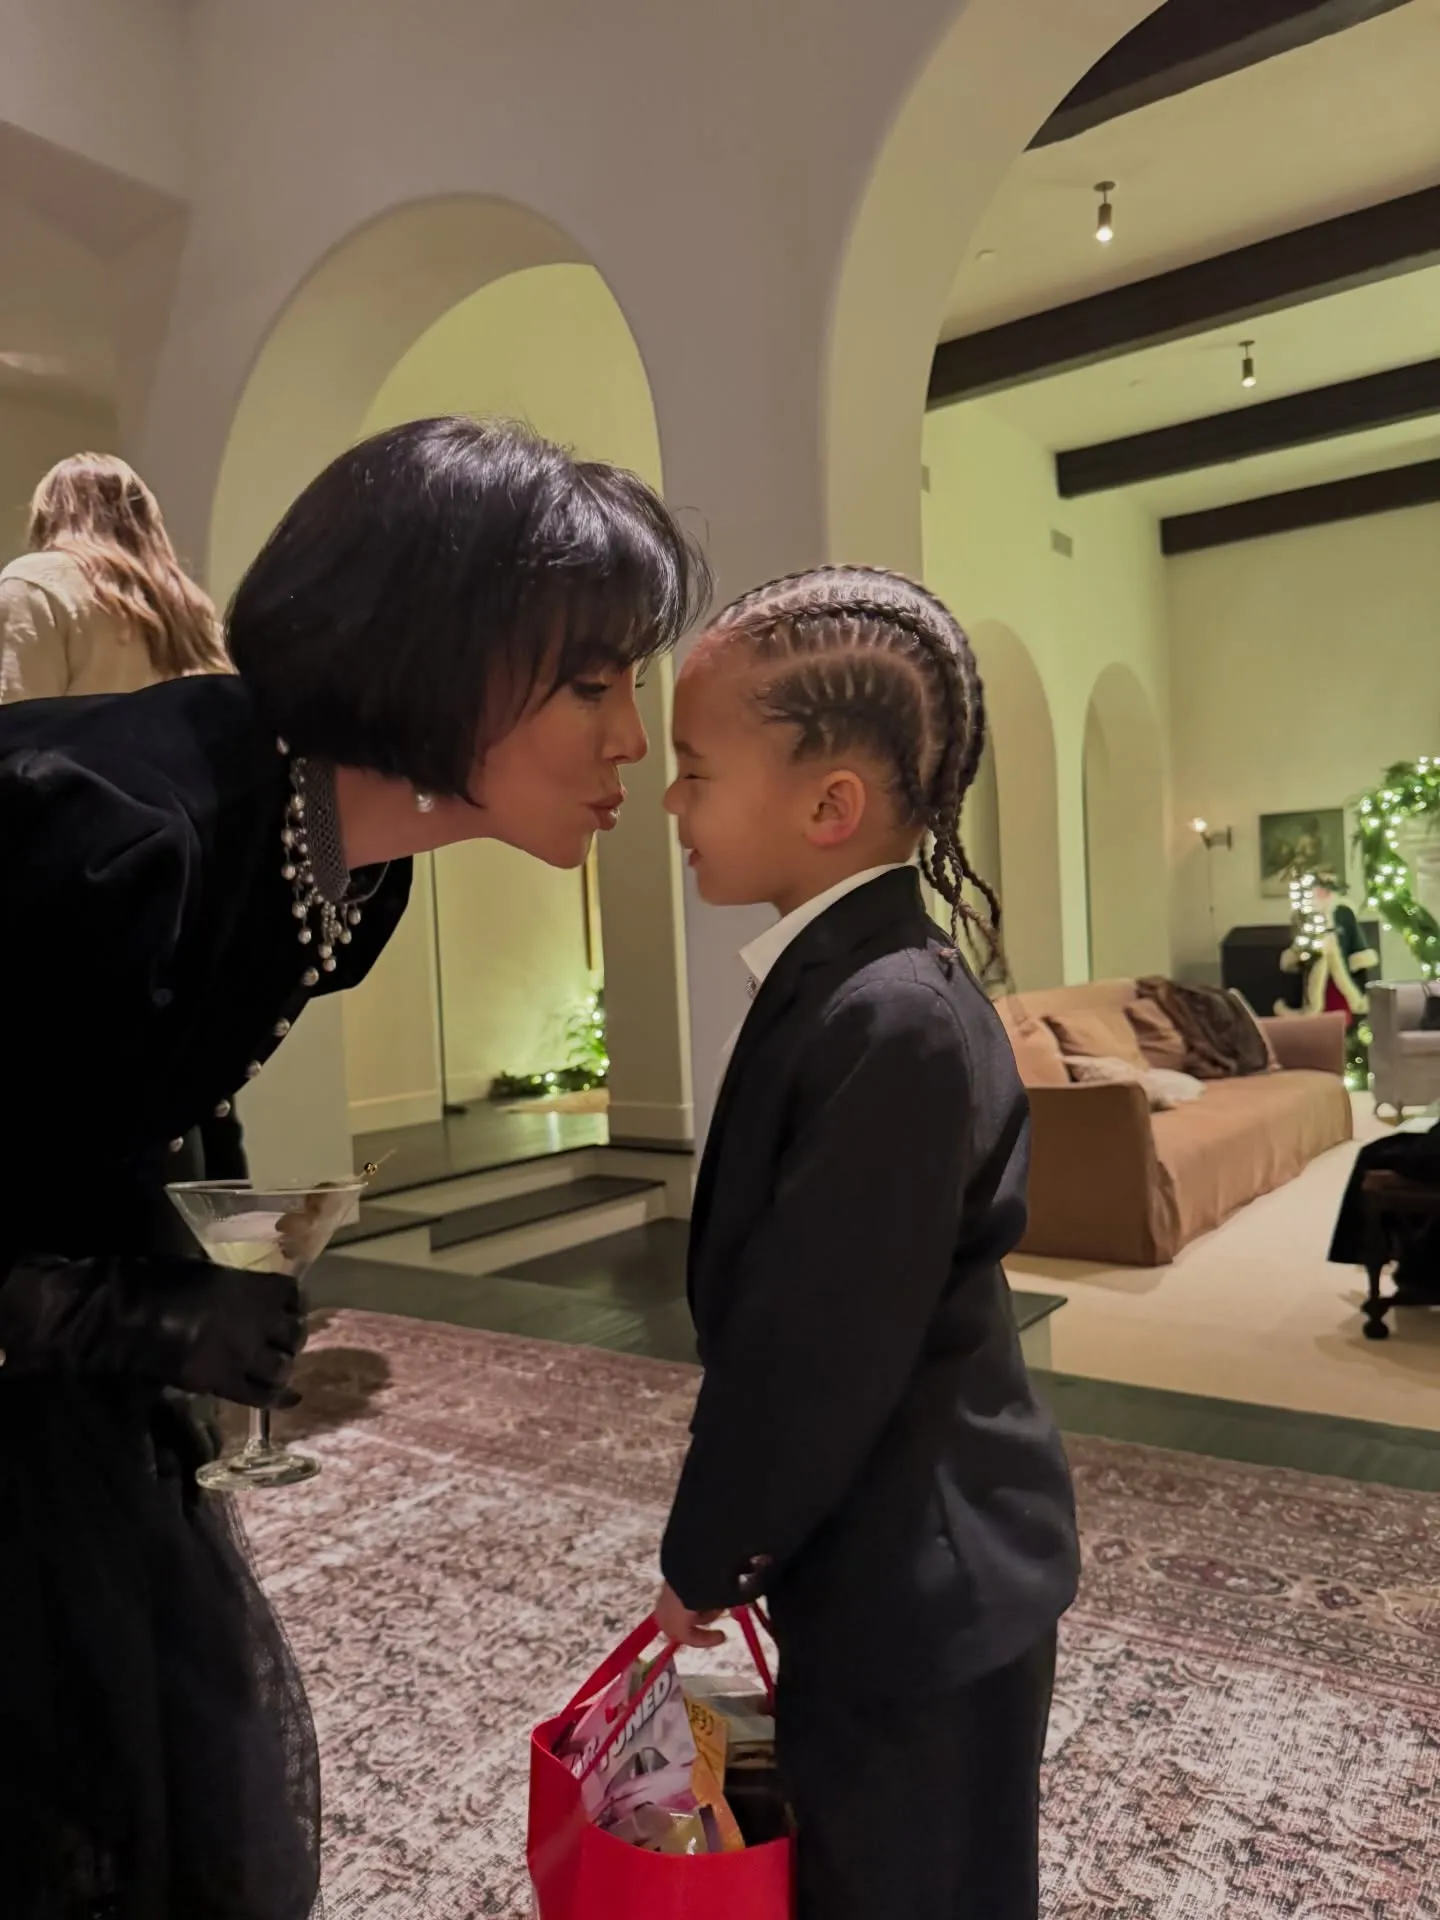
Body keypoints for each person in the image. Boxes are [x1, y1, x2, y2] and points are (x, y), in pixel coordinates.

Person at [0, 415, 710, 1920]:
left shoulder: (349, 871)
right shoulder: (114, 840)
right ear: (435, 658)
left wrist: (160, 1278)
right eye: (594, 684)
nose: (634, 744)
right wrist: (122, 1311)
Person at [654, 567, 1079, 1920]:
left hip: (930, 1582)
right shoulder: (846, 983)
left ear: (828, 806)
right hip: (885, 1557)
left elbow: (814, 1350)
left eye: (694, 770)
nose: (668, 800)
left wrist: (705, 1555)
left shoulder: (892, 1018)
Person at [0, 451, 248, 1179]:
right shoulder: (191, 613)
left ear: (51, 512)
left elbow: (10, 745)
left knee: (73, 1137)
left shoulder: (33, 586)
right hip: (192, 888)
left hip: (77, 885)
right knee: (190, 1117)